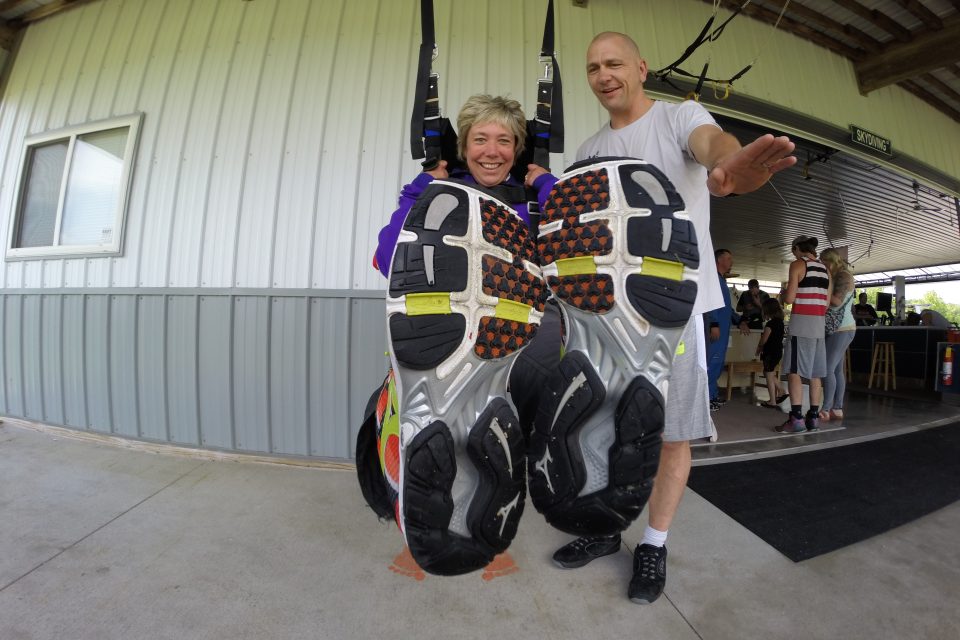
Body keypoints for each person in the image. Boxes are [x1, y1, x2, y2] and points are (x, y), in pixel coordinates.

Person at [547, 31, 796, 605]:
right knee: (602, 426)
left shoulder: (677, 117)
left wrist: (730, 161)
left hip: (675, 309)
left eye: (614, 63)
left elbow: (712, 143)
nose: (604, 75)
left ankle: (654, 544)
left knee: (672, 433)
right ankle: (606, 528)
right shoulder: (586, 152)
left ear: (641, 66)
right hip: (608, 313)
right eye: (592, 68)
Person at [358, 94, 560, 575]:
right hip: (443, 345)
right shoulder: (437, 195)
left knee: (491, 441)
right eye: (480, 139)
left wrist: (548, 185)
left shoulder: (532, 199)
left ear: (519, 149)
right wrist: (420, 189)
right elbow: (387, 260)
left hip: (507, 349)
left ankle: (485, 527)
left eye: (504, 141)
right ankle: (423, 525)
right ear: (462, 146)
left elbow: (564, 254)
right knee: (427, 438)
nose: (492, 151)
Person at [776, 235, 831, 434]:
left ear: (798, 249)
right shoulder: (826, 269)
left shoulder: (798, 265)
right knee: (816, 373)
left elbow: (789, 298)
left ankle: (796, 418)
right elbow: (826, 304)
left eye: (793, 251)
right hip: (818, 326)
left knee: (794, 371)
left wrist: (783, 295)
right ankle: (813, 418)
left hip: (801, 325)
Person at [706, 249, 751, 411]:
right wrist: (713, 324)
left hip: (723, 331)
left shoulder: (722, 281)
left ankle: (712, 395)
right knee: (711, 363)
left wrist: (740, 321)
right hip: (715, 330)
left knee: (717, 364)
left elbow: (727, 308)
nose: (731, 262)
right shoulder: (712, 280)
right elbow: (710, 304)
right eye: (728, 258)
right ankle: (705, 399)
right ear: (719, 260)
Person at [818, 248, 856, 421]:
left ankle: (825, 409)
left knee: (827, 369)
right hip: (842, 328)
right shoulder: (841, 275)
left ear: (831, 261)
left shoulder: (842, 277)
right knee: (837, 370)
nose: (822, 265)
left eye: (824, 262)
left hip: (841, 329)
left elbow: (836, 302)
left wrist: (818, 290)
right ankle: (837, 408)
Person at [756, 297, 788, 409]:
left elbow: (764, 339)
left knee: (768, 375)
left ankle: (772, 401)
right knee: (769, 373)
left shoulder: (770, 324)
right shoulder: (780, 322)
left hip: (769, 353)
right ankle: (781, 390)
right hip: (778, 352)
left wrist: (759, 347)